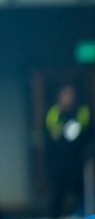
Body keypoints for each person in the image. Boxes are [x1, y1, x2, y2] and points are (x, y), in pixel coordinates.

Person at [45, 84, 92, 218]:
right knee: (58, 193)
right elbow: (50, 137)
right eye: (65, 94)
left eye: (70, 94)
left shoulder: (82, 111)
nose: (67, 97)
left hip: (78, 160)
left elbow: (87, 134)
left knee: (80, 191)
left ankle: (80, 213)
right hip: (59, 161)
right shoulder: (53, 113)